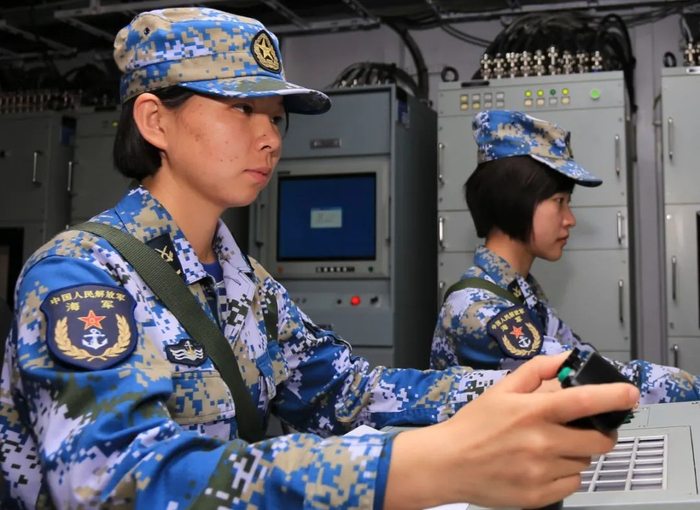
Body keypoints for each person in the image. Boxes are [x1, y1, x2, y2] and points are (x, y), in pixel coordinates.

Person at [0, 10, 638, 509]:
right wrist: (406, 469)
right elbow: (117, 482)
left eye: (276, 117)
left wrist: (516, 388)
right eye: (242, 109)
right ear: (154, 121)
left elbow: (350, 393)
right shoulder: (79, 275)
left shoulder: (247, 285)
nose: (269, 138)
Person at [431, 109, 700, 404]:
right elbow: (589, 380)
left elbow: (582, 357)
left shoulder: (519, 290)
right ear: (514, 200)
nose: (570, 220)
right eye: (559, 201)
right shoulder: (479, 309)